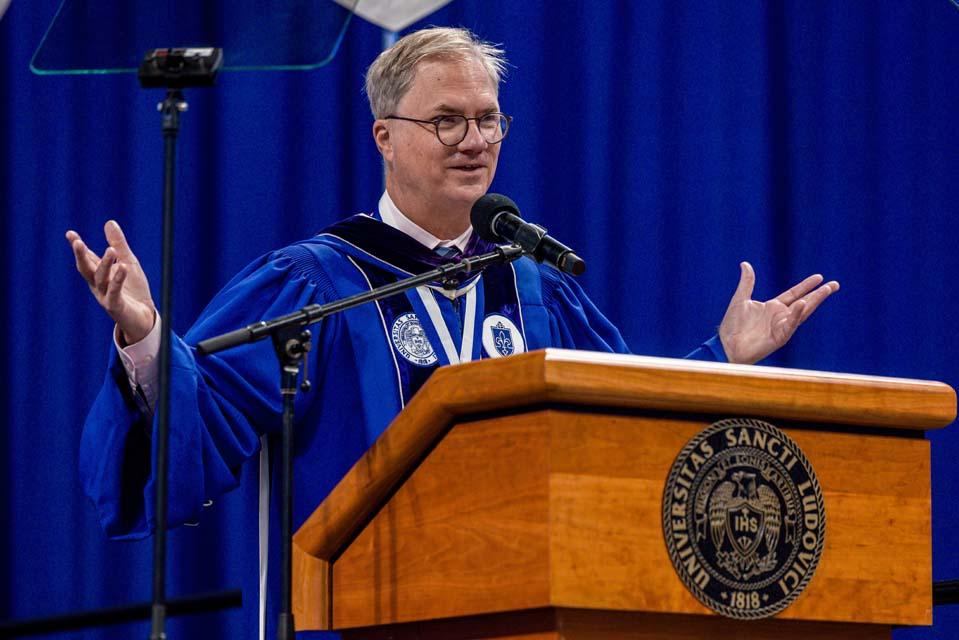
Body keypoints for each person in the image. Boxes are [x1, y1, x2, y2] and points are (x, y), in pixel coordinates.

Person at [65, 27, 838, 639]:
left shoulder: (532, 284)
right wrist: (146, 337)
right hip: (360, 616)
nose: (474, 139)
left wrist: (721, 356)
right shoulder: (313, 284)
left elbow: (616, 425)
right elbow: (202, 417)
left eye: (487, 118)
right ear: (384, 137)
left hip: (524, 616)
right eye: (445, 120)